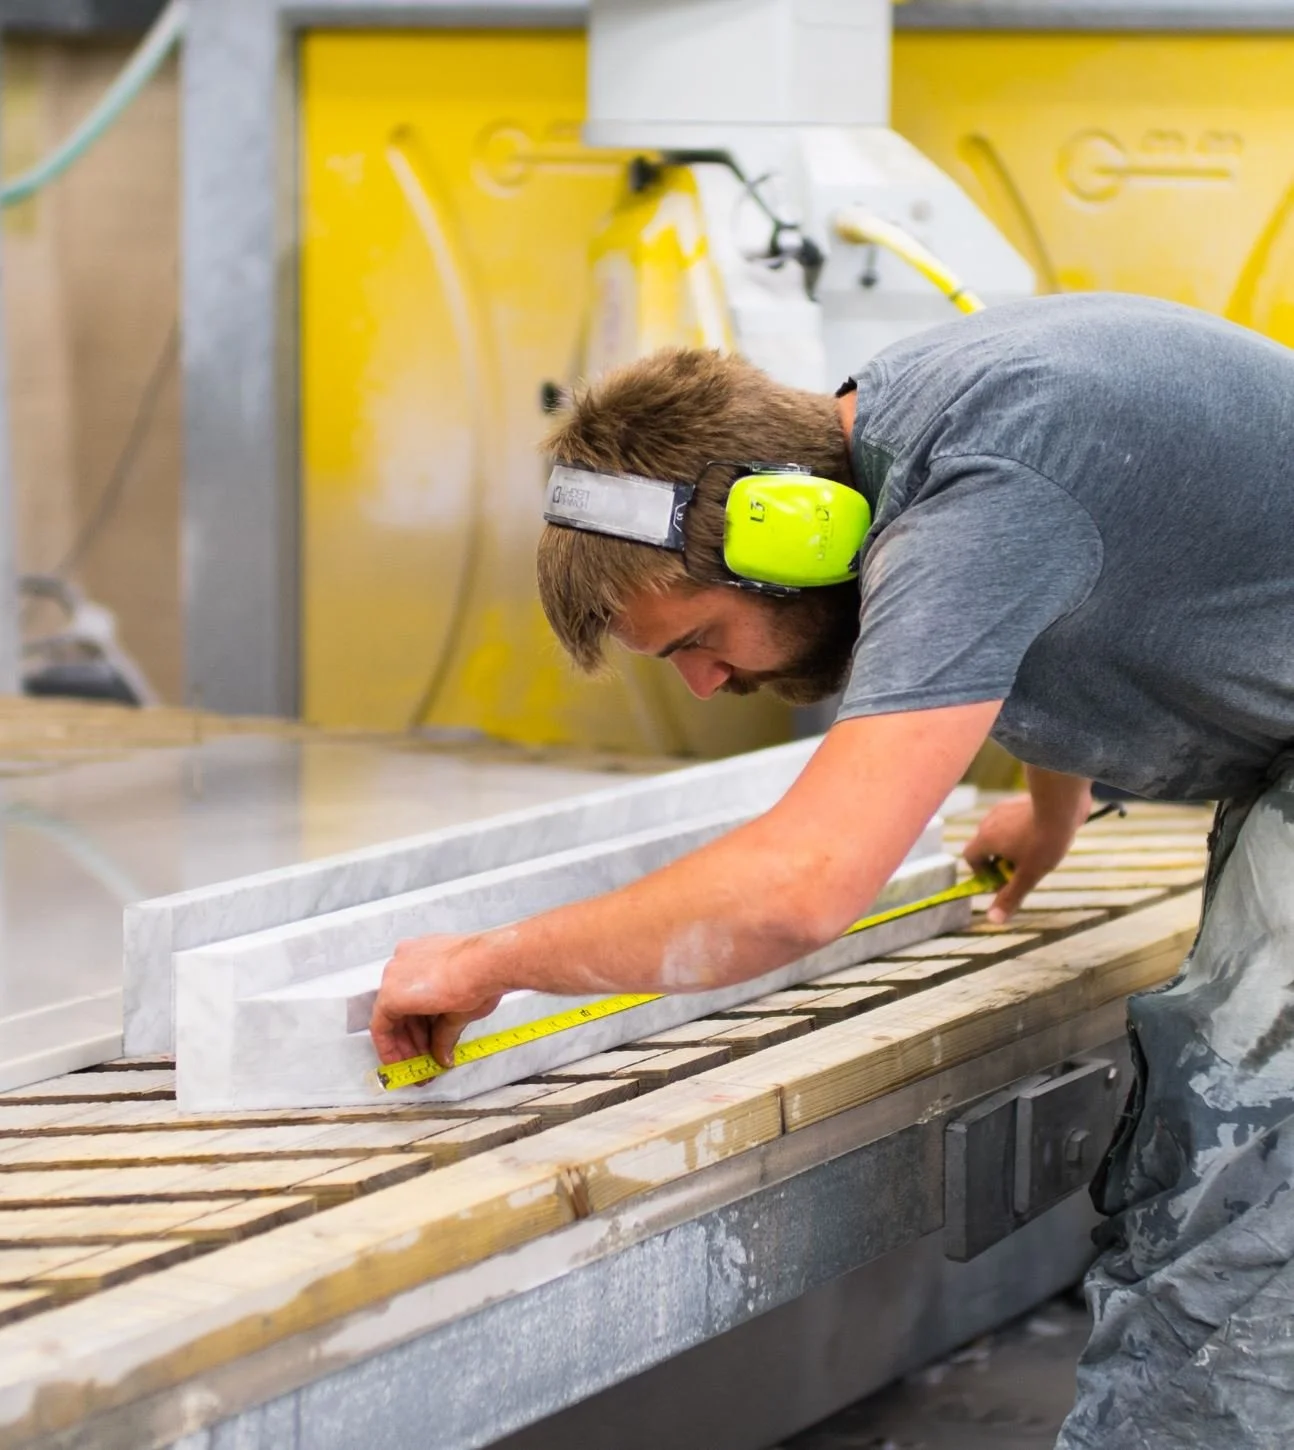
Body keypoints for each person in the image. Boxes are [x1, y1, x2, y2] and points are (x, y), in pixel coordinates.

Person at [370, 292, 1294, 1448]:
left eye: (696, 640)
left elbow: (802, 887)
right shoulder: (907, 429)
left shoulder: (983, 493)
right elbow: (1072, 588)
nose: (702, 685)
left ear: (793, 535)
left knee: (1249, 1174)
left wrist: (492, 959)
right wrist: (1050, 797)